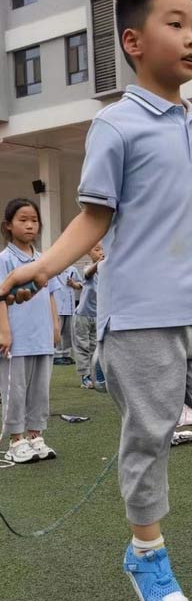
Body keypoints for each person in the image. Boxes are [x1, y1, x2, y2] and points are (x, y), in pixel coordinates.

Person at [0, 0, 192, 601]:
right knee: (147, 432)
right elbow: (94, 217)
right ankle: (146, 550)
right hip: (138, 309)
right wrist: (37, 269)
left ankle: (138, 387)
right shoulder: (115, 126)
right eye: (176, 23)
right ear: (133, 40)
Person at [0, 199, 60, 464]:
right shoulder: (4, 259)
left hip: (41, 337)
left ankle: (35, 435)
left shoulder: (43, 260)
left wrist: (55, 327)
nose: (29, 225)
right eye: (23, 220)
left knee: (40, 390)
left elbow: (51, 295)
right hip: (17, 339)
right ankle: (16, 439)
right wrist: (4, 331)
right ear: (8, 226)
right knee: (16, 390)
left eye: (34, 220)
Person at [73, 243, 104, 390]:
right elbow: (88, 273)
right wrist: (99, 263)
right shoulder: (88, 268)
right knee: (83, 346)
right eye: (97, 250)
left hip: (98, 316)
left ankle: (94, 376)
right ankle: (84, 376)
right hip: (83, 315)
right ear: (88, 253)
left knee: (95, 347)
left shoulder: (106, 273)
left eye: (103, 250)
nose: (100, 252)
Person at [53, 264, 82, 365]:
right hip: (56, 305)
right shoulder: (53, 268)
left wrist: (73, 284)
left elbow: (81, 284)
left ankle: (66, 354)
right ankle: (56, 355)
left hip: (69, 306)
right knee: (57, 331)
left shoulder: (72, 269)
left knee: (68, 332)